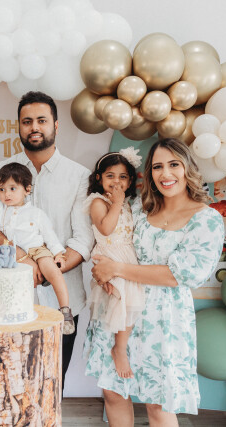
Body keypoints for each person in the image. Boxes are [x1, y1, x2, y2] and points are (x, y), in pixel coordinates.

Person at [86, 138, 224, 426]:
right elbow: (111, 242)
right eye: (157, 167)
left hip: (164, 320)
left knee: (158, 406)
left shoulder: (206, 220)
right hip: (121, 309)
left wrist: (117, 269)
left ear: (188, 168)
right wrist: (101, 271)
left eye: (173, 164)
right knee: (113, 392)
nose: (165, 174)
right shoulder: (140, 208)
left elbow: (179, 275)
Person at [0, 91, 94, 390]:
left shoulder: (79, 176)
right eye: (27, 121)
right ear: (18, 126)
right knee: (8, 386)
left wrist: (50, 269)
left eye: (42, 120)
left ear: (56, 125)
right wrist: (25, 261)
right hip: (8, 299)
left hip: (63, 298)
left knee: (51, 387)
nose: (34, 127)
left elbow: (83, 238)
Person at [0, 162, 75, 334]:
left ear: (27, 189)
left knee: (54, 272)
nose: (6, 194)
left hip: (38, 250)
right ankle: (15, 317)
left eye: (12, 188)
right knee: (15, 287)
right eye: (1, 189)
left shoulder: (37, 213)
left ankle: (65, 310)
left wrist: (59, 254)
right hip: (12, 255)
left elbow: (50, 236)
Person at [84, 148, 146, 378]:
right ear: (99, 178)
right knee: (121, 298)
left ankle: (121, 346)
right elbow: (106, 229)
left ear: (130, 181)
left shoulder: (129, 204)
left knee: (131, 300)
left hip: (127, 257)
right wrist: (117, 203)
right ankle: (118, 350)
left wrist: (121, 202)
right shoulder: (98, 202)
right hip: (110, 256)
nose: (116, 181)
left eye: (122, 177)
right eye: (110, 176)